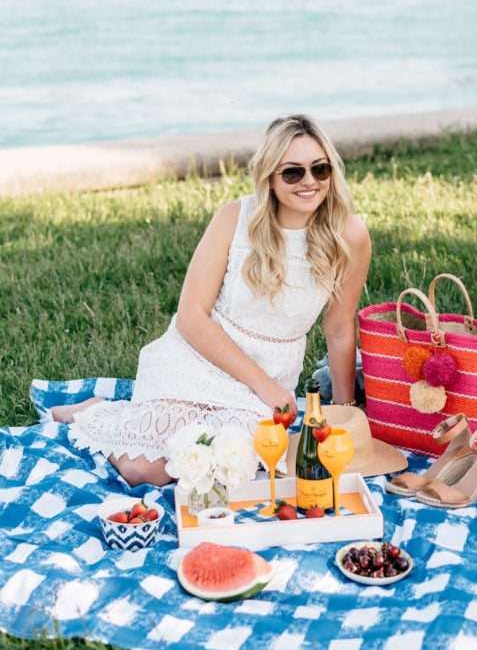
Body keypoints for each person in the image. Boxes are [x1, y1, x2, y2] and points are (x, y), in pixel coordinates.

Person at [51, 114, 372, 487]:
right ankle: (94, 413)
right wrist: (266, 388)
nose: (309, 181)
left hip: (271, 373)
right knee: (145, 470)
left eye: (320, 169)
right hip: (198, 356)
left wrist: (343, 413)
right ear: (269, 177)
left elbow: (338, 327)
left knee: (221, 466)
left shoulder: (349, 235)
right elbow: (191, 316)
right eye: (292, 173)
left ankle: (133, 417)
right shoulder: (234, 218)